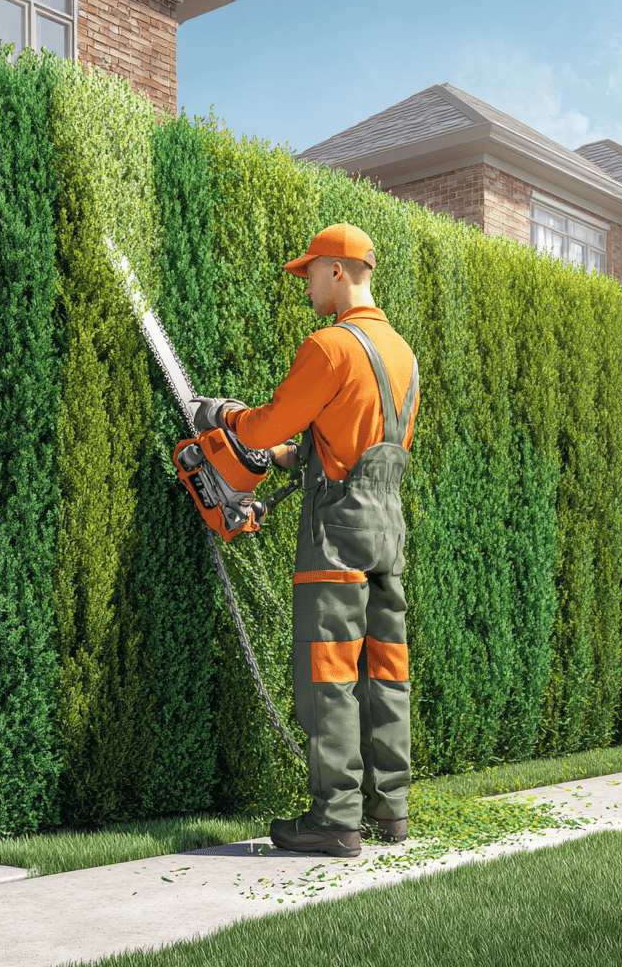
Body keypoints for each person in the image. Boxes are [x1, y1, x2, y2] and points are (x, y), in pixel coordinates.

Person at [192, 223, 419, 857]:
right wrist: (294, 457)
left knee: (329, 672)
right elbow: (360, 444)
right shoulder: (402, 353)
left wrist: (223, 416)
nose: (307, 285)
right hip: (387, 530)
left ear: (338, 270)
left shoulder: (330, 346)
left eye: (311, 272)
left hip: (336, 534)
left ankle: (335, 820)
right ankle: (389, 811)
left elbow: (264, 425)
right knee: (385, 670)